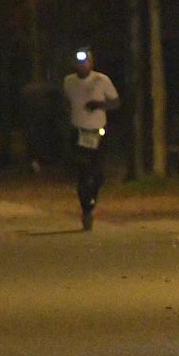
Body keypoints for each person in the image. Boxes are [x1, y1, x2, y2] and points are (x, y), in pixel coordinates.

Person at [62, 48, 120, 231]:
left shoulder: (101, 80)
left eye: (86, 62)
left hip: (98, 133)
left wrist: (100, 105)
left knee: (98, 174)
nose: (82, 66)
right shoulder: (69, 82)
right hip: (78, 132)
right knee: (82, 173)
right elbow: (66, 102)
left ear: (91, 64)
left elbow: (116, 102)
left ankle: (92, 198)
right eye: (79, 63)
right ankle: (86, 209)